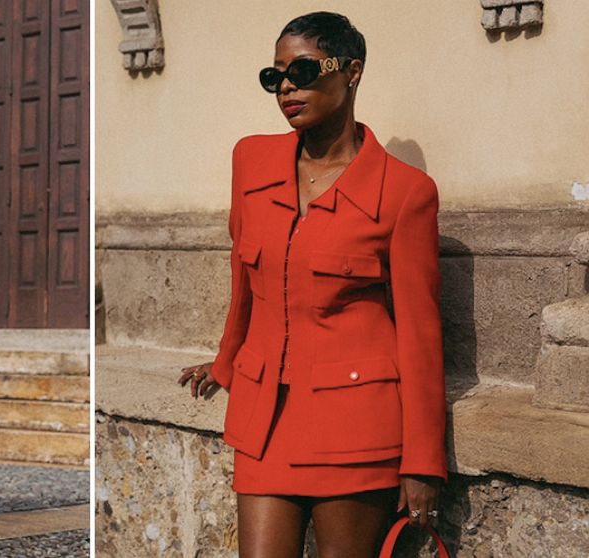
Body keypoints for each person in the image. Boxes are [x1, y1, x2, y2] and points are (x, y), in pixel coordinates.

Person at [178, 12, 446, 557]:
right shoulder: (251, 162)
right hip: (263, 423)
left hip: (355, 431)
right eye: (275, 76)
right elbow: (245, 278)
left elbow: (419, 335)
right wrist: (227, 360)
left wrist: (422, 463)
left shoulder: (404, 193)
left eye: (302, 70)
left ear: (351, 72)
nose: (286, 88)